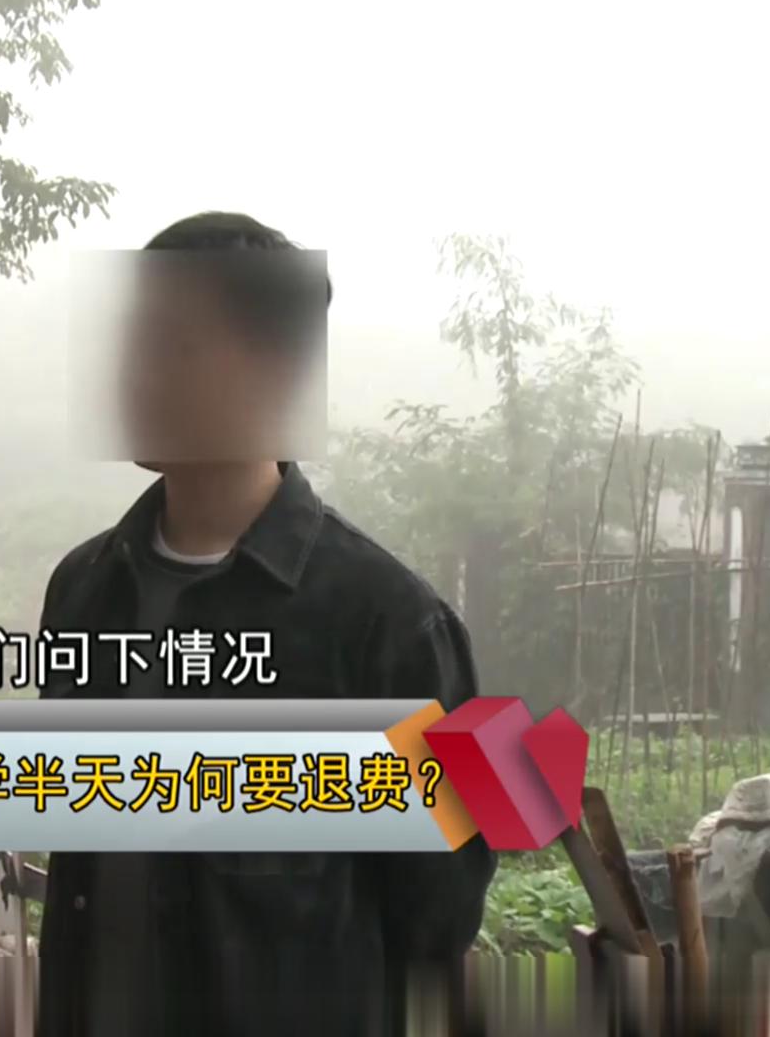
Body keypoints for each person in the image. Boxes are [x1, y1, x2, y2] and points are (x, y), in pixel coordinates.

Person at [33, 213, 496, 1036]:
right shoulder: (83, 591)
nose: (132, 370)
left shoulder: (388, 622)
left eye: (170, 342)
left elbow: (437, 916)